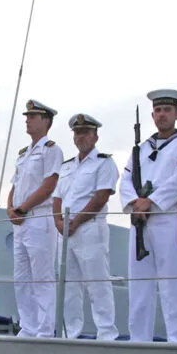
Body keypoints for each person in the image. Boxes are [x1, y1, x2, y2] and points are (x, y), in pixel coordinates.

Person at [119, 89, 177, 342]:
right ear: (152, 115)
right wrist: (134, 203)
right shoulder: (141, 149)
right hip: (140, 221)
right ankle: (139, 340)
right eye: (158, 110)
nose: (162, 115)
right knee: (139, 286)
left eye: (167, 110)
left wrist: (151, 202)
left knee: (172, 285)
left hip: (169, 218)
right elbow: (126, 180)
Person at [52, 114, 119, 340]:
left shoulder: (104, 162)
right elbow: (57, 198)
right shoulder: (67, 166)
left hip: (90, 228)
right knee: (69, 285)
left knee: (97, 283)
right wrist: (59, 222)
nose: (81, 137)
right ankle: (70, 333)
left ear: (95, 135)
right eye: (77, 133)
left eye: (85, 132)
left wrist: (77, 221)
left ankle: (107, 333)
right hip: (65, 231)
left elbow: (101, 196)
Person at [7, 99, 65, 338]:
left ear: (46, 121)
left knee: (42, 277)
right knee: (21, 278)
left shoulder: (52, 150)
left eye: (33, 116)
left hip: (39, 219)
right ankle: (28, 327)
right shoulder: (23, 154)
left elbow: (49, 185)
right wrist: (10, 208)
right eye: (27, 116)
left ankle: (44, 330)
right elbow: (15, 184)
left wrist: (21, 209)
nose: (27, 120)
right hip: (21, 222)